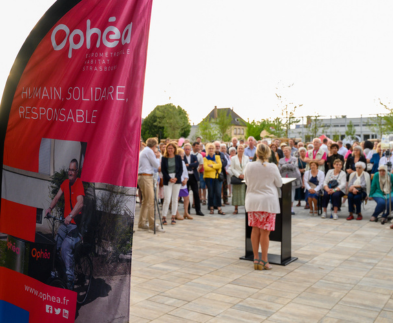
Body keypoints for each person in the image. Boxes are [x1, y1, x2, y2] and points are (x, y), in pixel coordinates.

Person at [45, 159, 85, 289]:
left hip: (74, 226)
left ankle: (69, 281)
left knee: (66, 248)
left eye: (73, 170)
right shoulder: (65, 183)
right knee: (55, 245)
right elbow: (56, 198)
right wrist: (49, 208)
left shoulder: (79, 184)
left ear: (77, 171)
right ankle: (59, 274)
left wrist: (70, 215)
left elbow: (80, 203)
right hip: (65, 224)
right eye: (69, 170)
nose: (70, 172)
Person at [244, 144, 282, 270]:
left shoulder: (249, 165)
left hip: (253, 201)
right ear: (268, 154)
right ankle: (265, 261)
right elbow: (279, 183)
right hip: (267, 202)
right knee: (265, 233)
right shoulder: (272, 167)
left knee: (255, 230)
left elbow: (247, 181)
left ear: (256, 153)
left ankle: (256, 259)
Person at [137, 138, 163, 232]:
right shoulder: (149, 151)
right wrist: (156, 155)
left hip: (144, 177)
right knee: (151, 201)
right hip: (145, 177)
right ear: (154, 145)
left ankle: (142, 223)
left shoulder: (145, 151)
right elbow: (156, 165)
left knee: (146, 201)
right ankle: (152, 225)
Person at [161, 142, 183, 225]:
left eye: (172, 148)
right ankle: (164, 216)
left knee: (175, 199)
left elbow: (181, 169)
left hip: (177, 179)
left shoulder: (178, 157)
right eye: (169, 148)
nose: (170, 150)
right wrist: (170, 179)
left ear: (174, 149)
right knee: (167, 199)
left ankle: (173, 216)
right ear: (166, 149)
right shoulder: (164, 158)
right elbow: (163, 170)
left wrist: (176, 178)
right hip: (168, 180)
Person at [279, 146, 302, 215]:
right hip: (283, 178)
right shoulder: (281, 160)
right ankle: (284, 208)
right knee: (283, 193)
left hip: (292, 178)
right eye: (284, 151)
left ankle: (291, 209)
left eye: (286, 150)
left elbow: (294, 167)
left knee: (292, 193)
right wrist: (288, 165)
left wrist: (284, 166)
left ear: (290, 151)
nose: (285, 152)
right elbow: (279, 168)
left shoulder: (294, 159)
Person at [204, 143, 225, 214]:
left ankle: (219, 207)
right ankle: (211, 207)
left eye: (212, 148)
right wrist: (215, 166)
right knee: (211, 193)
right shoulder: (205, 158)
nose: (211, 150)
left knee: (218, 193)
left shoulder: (217, 157)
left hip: (217, 177)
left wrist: (212, 166)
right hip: (209, 178)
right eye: (209, 148)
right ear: (207, 149)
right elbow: (206, 168)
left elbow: (220, 166)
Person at [184, 144, 204, 216]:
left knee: (196, 193)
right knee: (186, 194)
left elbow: (196, 165)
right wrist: (192, 165)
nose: (187, 150)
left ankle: (198, 210)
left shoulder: (194, 156)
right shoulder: (182, 157)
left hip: (193, 176)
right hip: (186, 177)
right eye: (186, 149)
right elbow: (183, 165)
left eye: (188, 149)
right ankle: (187, 210)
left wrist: (188, 165)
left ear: (190, 149)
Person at [230, 144, 249, 214]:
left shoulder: (246, 158)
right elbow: (232, 168)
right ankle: (235, 209)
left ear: (243, 150)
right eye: (239, 148)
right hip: (236, 177)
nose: (240, 150)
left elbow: (247, 167)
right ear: (237, 150)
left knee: (245, 193)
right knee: (236, 193)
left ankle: (247, 208)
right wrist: (238, 175)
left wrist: (243, 175)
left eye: (241, 148)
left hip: (244, 177)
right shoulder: (233, 158)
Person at [177, 148, 192, 220]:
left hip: (183, 183)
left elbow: (185, 173)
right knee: (176, 198)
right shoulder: (175, 162)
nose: (183, 156)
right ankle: (176, 213)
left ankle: (186, 212)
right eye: (181, 154)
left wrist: (185, 179)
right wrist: (181, 180)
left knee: (187, 197)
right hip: (177, 183)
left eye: (183, 154)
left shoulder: (182, 162)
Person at [214, 141, 228, 207]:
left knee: (221, 188)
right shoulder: (212, 154)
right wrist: (217, 166)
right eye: (216, 146)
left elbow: (225, 162)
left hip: (221, 173)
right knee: (215, 189)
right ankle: (215, 203)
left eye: (218, 146)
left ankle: (222, 201)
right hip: (213, 173)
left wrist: (220, 165)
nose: (217, 148)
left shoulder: (222, 154)